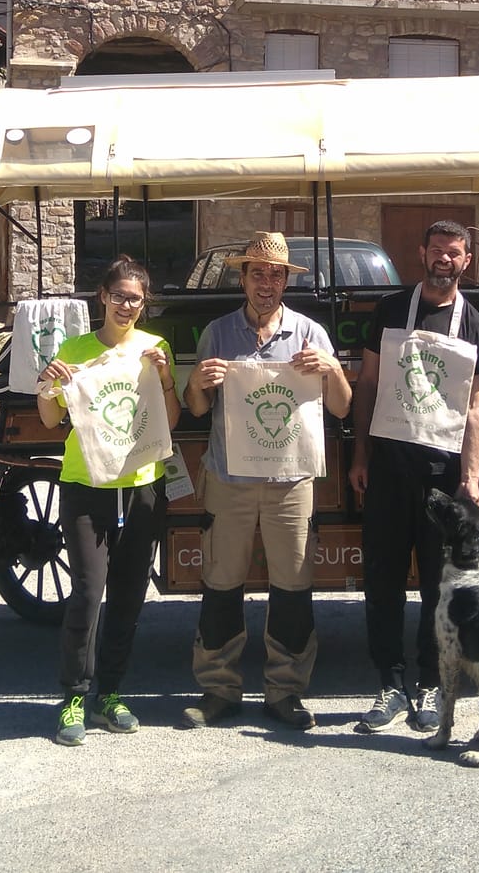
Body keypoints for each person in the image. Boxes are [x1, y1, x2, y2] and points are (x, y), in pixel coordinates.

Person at [181, 232, 351, 732]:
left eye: (276, 274)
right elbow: (195, 409)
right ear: (243, 278)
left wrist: (332, 369)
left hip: (290, 480)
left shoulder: (310, 333)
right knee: (220, 584)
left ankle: (285, 691)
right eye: (258, 272)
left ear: (285, 282)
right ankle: (218, 688)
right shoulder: (217, 332)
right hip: (229, 478)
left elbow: (341, 406)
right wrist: (196, 383)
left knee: (293, 587)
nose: (267, 282)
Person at [347, 220, 479, 735]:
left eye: (453, 254)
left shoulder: (474, 323)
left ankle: (431, 683)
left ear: (466, 260)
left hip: (442, 476)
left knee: (437, 587)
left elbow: (476, 404)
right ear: (421, 253)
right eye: (436, 251)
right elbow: (366, 384)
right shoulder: (390, 311)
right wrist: (360, 454)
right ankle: (389, 684)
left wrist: (471, 478)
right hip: (388, 465)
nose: (444, 261)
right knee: (382, 581)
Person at [37, 255, 181, 747]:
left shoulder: (154, 346)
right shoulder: (75, 349)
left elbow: (172, 421)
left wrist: (164, 377)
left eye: (135, 298)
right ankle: (74, 696)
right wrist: (48, 384)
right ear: (102, 296)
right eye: (118, 295)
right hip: (85, 483)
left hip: (142, 484)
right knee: (86, 592)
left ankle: (110, 694)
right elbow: (51, 419)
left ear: (145, 304)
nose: (126, 305)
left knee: (128, 595)